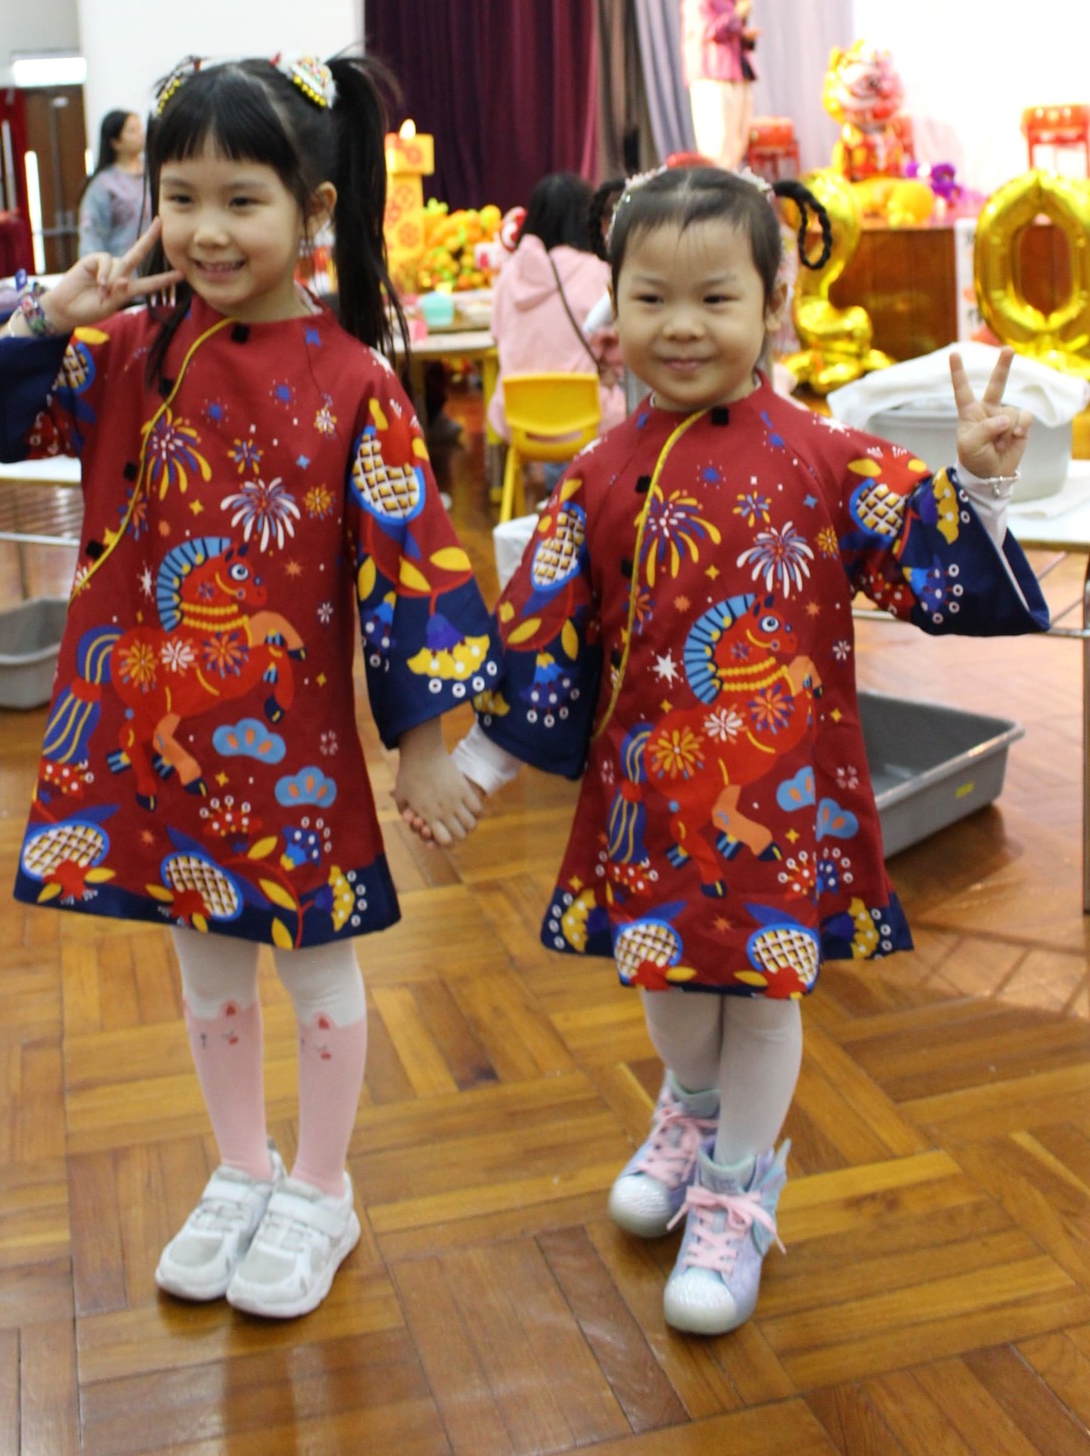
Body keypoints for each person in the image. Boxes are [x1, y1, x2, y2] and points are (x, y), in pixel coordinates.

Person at [0, 51, 494, 1320]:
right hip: (155, 738)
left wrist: (427, 742)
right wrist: (49, 312)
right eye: (181, 198)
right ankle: (241, 1167)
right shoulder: (120, 355)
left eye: (240, 200)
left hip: (293, 753)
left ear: (312, 211)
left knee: (315, 970)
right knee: (206, 967)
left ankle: (321, 1188)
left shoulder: (356, 383)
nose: (207, 231)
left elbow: (415, 571)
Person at [417, 166, 1049, 1335]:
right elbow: (544, 630)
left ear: (773, 305)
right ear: (615, 312)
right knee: (666, 978)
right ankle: (690, 1107)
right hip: (651, 797)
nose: (683, 326)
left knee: (760, 992)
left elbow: (925, 556)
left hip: (782, 792)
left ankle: (738, 1185)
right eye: (653, 298)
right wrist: (481, 765)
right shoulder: (597, 475)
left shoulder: (823, 453)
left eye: (715, 298)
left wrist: (978, 479)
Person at [486, 172, 625, 446]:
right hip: (587, 422)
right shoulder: (598, 272)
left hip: (519, 424)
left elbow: (498, 336)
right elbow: (619, 350)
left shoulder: (510, 273)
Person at [680, 0, 757, 171]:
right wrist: (736, 16)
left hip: (735, 73)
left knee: (736, 146)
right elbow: (705, 29)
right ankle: (718, 194)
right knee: (717, 148)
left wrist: (743, 34)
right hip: (712, 76)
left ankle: (731, 191)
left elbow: (726, 28)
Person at [77, 108, 149, 258]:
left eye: (140, 128)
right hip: (121, 267)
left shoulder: (154, 174)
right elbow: (92, 236)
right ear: (115, 142)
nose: (141, 134)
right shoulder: (104, 184)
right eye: (132, 131)